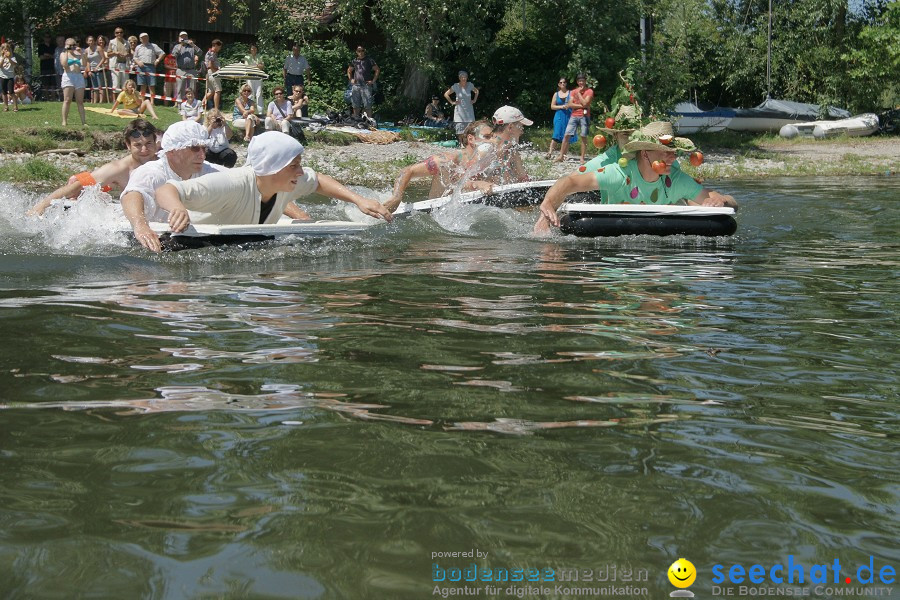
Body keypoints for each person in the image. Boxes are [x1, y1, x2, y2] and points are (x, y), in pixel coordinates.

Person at [155, 131, 391, 237]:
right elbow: (167, 189)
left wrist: (359, 200)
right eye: (294, 165)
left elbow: (318, 180)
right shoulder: (230, 183)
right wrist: (177, 208)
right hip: (188, 243)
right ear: (271, 166)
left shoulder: (287, 181)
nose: (300, 172)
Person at [535, 121, 738, 234]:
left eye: (673, 152)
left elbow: (730, 201)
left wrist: (720, 202)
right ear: (645, 153)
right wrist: (549, 204)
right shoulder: (617, 172)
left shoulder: (675, 179)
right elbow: (569, 182)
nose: (673, 157)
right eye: (664, 152)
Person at [121, 120, 228, 252]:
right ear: (172, 151)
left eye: (204, 148)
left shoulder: (212, 171)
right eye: (194, 148)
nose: (202, 155)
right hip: (149, 237)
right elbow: (131, 195)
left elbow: (243, 180)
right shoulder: (151, 172)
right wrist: (141, 226)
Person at [27, 119, 159, 216]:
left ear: (156, 142)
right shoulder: (119, 168)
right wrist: (42, 206)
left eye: (149, 143)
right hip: (138, 214)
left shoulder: (165, 162)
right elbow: (77, 186)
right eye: (138, 145)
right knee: (75, 182)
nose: (144, 149)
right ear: (128, 145)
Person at [384, 120, 495, 213]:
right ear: (471, 139)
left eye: (492, 137)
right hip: (434, 214)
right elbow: (407, 171)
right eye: (487, 137)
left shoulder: (488, 163)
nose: (492, 141)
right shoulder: (450, 159)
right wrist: (396, 197)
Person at [481, 105, 532, 185]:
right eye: (521, 127)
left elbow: (524, 180)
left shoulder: (512, 151)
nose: (522, 132)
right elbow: (465, 181)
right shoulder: (486, 149)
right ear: (510, 127)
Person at [556, 73, 593, 163]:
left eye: (583, 81)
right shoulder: (573, 91)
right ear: (577, 82)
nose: (581, 83)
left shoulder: (589, 91)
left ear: (585, 81)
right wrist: (582, 105)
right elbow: (570, 104)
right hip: (574, 115)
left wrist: (579, 95)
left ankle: (582, 158)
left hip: (584, 116)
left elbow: (585, 103)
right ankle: (561, 156)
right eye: (580, 81)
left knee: (583, 136)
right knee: (566, 135)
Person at [444, 70, 479, 145]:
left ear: (467, 77)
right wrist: (452, 102)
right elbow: (446, 94)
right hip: (459, 110)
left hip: (469, 109)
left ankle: (468, 143)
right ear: (459, 78)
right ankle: (461, 143)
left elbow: (476, 91)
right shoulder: (456, 86)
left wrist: (474, 100)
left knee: (470, 127)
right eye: (462, 77)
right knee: (460, 127)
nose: (464, 78)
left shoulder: (470, 85)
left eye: (465, 77)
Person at [59, 38, 86, 126]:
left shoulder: (78, 54)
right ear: (66, 45)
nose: (72, 47)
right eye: (70, 45)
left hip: (78, 76)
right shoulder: (63, 54)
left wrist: (82, 54)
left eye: (73, 45)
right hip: (68, 76)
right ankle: (64, 121)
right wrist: (67, 51)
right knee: (67, 100)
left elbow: (84, 64)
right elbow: (64, 64)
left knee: (80, 101)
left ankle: (83, 122)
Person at [347, 45, 379, 119]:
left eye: (362, 51)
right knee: (355, 104)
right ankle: (356, 119)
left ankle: (370, 121)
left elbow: (377, 69)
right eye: (359, 51)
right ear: (356, 52)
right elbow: (349, 70)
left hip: (366, 85)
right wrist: (351, 79)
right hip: (356, 85)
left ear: (364, 51)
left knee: (367, 104)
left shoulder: (369, 60)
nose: (361, 52)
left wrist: (373, 81)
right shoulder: (354, 61)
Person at [547, 77, 574, 159]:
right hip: (559, 115)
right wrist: (562, 106)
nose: (563, 84)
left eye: (564, 82)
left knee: (567, 135)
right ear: (558, 84)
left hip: (568, 115)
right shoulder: (556, 94)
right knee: (556, 134)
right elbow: (552, 106)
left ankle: (563, 154)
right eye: (561, 82)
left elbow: (574, 103)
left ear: (566, 83)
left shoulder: (571, 93)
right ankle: (550, 153)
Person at [133, 33, 163, 106]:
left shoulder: (153, 46)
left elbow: (162, 53)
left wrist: (157, 60)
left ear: (148, 38)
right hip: (141, 67)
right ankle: (142, 101)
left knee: (151, 85)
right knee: (142, 85)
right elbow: (135, 57)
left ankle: (152, 102)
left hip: (151, 66)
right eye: (142, 38)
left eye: (146, 37)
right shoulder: (138, 47)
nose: (144, 39)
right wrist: (138, 62)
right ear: (140, 39)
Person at [172, 31, 201, 102]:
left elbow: (200, 53)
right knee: (180, 89)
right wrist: (180, 45)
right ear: (179, 38)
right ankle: (180, 106)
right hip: (181, 70)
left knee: (193, 89)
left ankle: (191, 104)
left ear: (187, 37)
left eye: (185, 37)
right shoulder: (177, 46)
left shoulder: (192, 47)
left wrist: (193, 45)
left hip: (191, 70)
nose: (183, 38)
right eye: (182, 37)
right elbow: (173, 56)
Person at [107, 27, 129, 94]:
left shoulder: (127, 42)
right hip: (115, 64)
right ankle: (115, 100)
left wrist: (126, 54)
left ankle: (124, 99)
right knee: (116, 82)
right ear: (115, 34)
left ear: (123, 33)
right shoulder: (112, 42)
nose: (119, 34)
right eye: (117, 32)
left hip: (125, 64)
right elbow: (108, 54)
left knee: (125, 82)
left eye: (121, 32)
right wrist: (115, 53)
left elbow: (129, 53)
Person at [244, 43, 265, 112]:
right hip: (250, 77)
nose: (253, 49)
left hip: (258, 76)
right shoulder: (247, 57)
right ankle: (249, 110)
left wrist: (253, 66)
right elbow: (246, 67)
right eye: (252, 48)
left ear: (257, 49)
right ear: (250, 49)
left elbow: (262, 67)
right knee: (250, 93)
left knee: (259, 94)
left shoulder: (260, 56)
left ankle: (260, 112)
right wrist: (257, 65)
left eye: (255, 48)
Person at [204, 39, 223, 111]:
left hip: (209, 73)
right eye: (219, 47)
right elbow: (210, 65)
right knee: (217, 91)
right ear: (215, 45)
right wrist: (217, 70)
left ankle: (201, 104)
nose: (219, 49)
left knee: (211, 91)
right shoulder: (212, 53)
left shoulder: (210, 52)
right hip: (213, 73)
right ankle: (216, 109)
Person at [37, 33, 56, 100]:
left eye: (49, 37)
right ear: (43, 38)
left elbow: (55, 56)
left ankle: (54, 98)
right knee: (45, 84)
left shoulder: (53, 46)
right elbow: (41, 57)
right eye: (46, 37)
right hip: (44, 68)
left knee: (53, 84)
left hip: (53, 67)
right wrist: (50, 56)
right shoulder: (41, 46)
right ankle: (47, 98)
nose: (47, 38)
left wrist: (47, 55)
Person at [0, 43, 17, 112]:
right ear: (2, 50)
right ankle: (6, 106)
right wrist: (3, 58)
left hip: (10, 77)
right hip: (2, 76)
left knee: (11, 91)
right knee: (4, 92)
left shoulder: (12, 57)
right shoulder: (1, 57)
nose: (6, 51)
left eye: (7, 50)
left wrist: (9, 58)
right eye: (5, 50)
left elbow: (14, 64)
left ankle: (15, 106)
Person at [53, 35, 66, 101]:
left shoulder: (66, 49)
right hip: (58, 71)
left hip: (65, 71)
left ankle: (67, 98)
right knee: (59, 86)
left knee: (66, 86)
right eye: (58, 41)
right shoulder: (56, 49)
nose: (60, 42)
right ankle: (61, 99)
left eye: (61, 41)